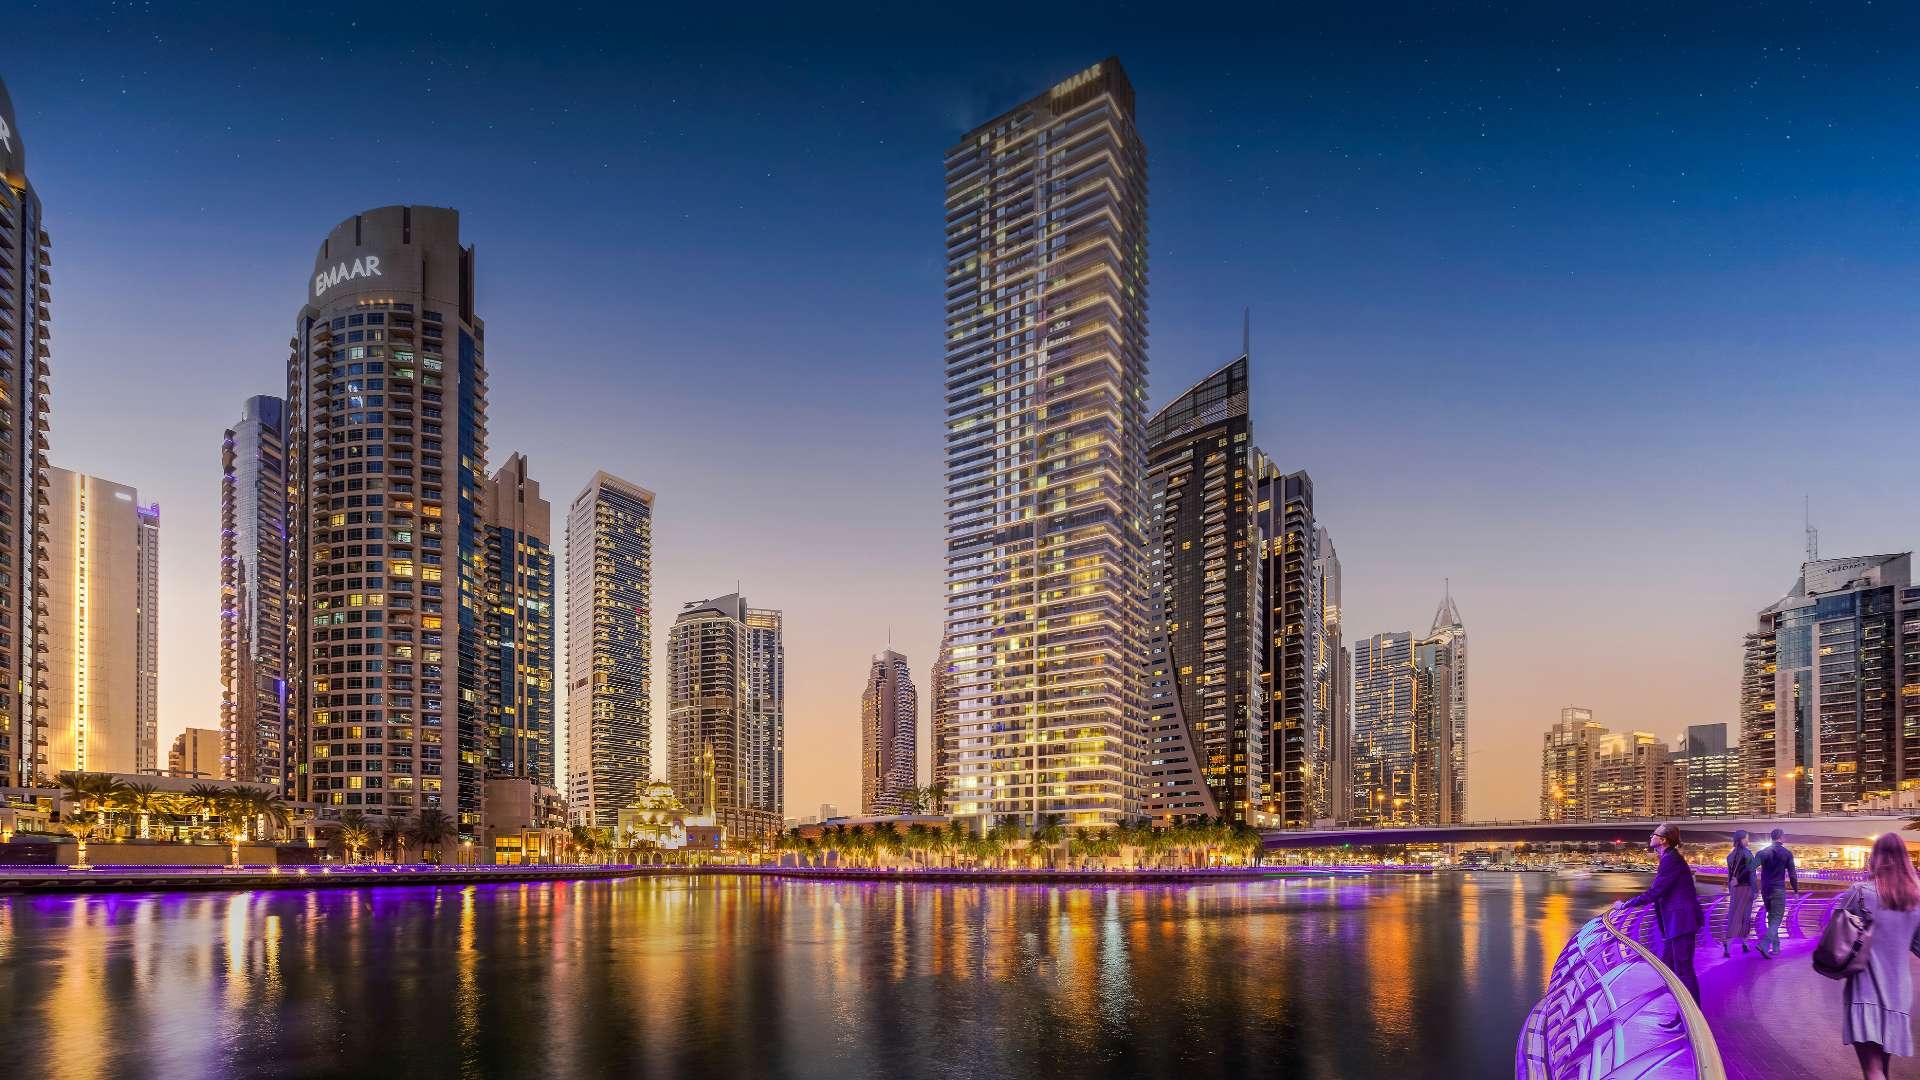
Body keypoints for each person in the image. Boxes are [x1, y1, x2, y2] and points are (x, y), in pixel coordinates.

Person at [1838, 832, 1920, 1080]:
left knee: (1872, 1070)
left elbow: (1835, 929)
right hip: (1898, 992)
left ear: (1875, 858)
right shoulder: (1916, 898)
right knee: (1882, 1068)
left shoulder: (1860, 892)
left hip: (1865, 988)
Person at [1615, 822, 1704, 1027]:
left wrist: (1625, 905)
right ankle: (1684, 1015)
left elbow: (1656, 892)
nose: (1650, 837)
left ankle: (1692, 1021)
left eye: (1653, 834)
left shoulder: (1671, 860)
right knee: (1669, 968)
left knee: (1683, 971)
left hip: (1681, 922)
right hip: (1676, 922)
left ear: (1663, 840)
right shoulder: (1669, 858)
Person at [1754, 827, 1800, 958]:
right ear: (1781, 837)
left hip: (1765, 889)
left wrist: (1755, 887)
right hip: (1778, 888)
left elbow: (1750, 868)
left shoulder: (1762, 853)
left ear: (1771, 838)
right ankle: (1764, 944)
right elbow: (1792, 875)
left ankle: (1776, 947)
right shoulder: (1787, 854)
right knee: (1777, 918)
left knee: (1771, 917)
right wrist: (1796, 891)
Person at [1724, 829, 1757, 957]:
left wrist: (1731, 887)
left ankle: (1744, 943)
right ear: (1742, 839)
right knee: (1743, 917)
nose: (1748, 840)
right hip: (1746, 888)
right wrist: (1755, 890)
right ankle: (1728, 944)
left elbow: (1730, 876)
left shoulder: (1731, 855)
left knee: (1735, 915)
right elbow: (1751, 872)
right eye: (1747, 838)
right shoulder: (1747, 854)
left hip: (1735, 890)